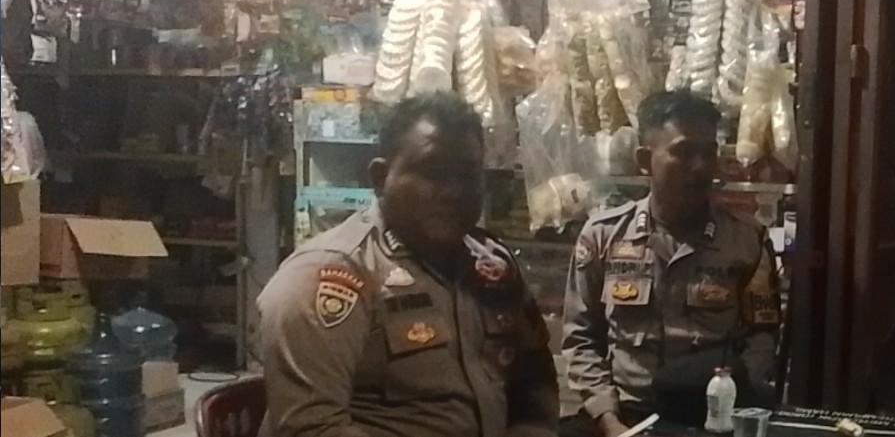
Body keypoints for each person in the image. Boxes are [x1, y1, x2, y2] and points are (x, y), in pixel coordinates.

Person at [258, 93, 560, 437]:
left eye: (468, 175)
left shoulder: (492, 267)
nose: (453, 192)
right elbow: (311, 428)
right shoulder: (330, 276)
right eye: (433, 173)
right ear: (380, 178)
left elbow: (535, 380)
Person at [563, 90, 781, 437]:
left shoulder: (746, 240)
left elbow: (762, 338)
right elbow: (582, 339)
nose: (700, 167)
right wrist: (609, 420)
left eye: (708, 153)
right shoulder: (603, 236)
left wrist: (734, 405)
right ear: (645, 159)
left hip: (710, 417)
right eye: (684, 152)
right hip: (625, 415)